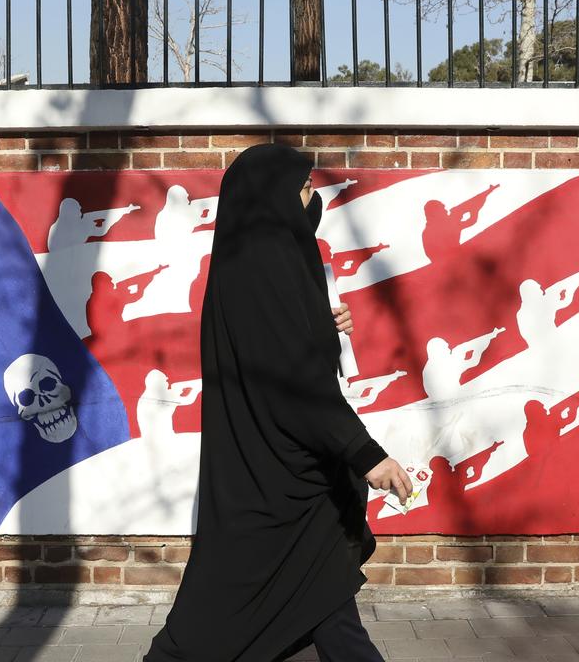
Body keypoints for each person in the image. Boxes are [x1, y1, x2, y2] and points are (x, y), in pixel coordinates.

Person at [144, 144, 412, 662]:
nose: (313, 199)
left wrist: (325, 327)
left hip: (281, 475)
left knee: (323, 607)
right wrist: (367, 455)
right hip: (281, 481)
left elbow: (287, 354)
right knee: (218, 622)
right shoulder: (265, 267)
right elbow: (295, 385)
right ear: (274, 198)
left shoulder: (261, 259)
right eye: (304, 188)